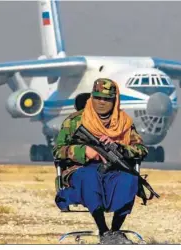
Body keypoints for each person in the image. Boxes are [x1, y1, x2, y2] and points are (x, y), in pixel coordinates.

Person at [52, 78, 148, 244]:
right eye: (97, 97)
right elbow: (58, 151)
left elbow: (141, 149)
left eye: (107, 99)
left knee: (129, 180)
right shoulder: (74, 121)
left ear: (115, 100)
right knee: (89, 178)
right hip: (80, 169)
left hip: (113, 169)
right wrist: (83, 151)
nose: (101, 102)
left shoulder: (124, 123)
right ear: (91, 97)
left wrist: (120, 148)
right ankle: (104, 231)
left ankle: (115, 230)